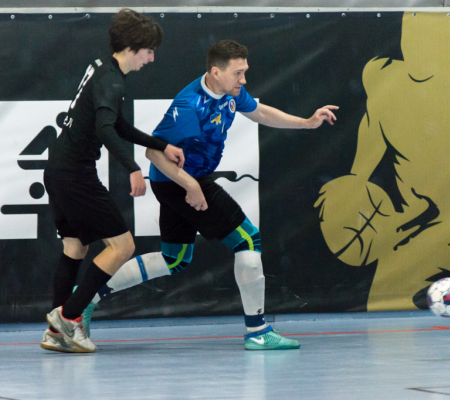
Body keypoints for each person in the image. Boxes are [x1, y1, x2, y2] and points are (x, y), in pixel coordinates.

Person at [80, 39, 338, 350]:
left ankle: (85, 298)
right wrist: (191, 186)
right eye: (238, 73)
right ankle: (257, 331)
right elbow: (153, 152)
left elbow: (259, 112)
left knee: (173, 259)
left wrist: (307, 123)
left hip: (183, 180)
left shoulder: (231, 92)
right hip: (180, 181)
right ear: (216, 72)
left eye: (245, 72)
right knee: (248, 240)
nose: (243, 80)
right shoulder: (189, 107)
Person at [40, 8, 185, 353]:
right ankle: (69, 318)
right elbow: (106, 129)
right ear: (132, 48)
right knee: (123, 247)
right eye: (149, 51)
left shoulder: (102, 68)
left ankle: (56, 333)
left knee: (75, 248)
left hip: (57, 169)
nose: (151, 59)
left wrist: (160, 145)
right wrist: (133, 168)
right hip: (75, 174)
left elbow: (116, 124)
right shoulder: (112, 80)